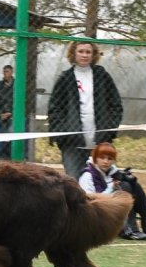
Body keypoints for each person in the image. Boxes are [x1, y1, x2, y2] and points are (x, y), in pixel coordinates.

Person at [48, 41, 123, 180]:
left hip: (100, 142)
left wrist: (109, 129)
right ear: (73, 54)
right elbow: (54, 109)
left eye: (88, 52)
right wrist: (64, 131)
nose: (84, 55)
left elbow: (116, 105)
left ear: (93, 54)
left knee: (100, 184)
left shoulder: (102, 76)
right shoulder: (65, 78)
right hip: (72, 144)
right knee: (75, 184)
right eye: (81, 51)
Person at [79, 142, 146, 240]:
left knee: (134, 186)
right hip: (95, 216)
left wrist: (127, 179)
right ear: (95, 158)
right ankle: (131, 231)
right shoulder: (87, 175)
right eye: (102, 157)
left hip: (110, 212)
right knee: (123, 187)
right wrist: (111, 188)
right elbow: (89, 201)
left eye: (109, 158)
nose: (105, 161)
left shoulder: (113, 172)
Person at [0, 64, 14, 159]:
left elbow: (20, 101)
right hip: (2, 115)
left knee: (11, 135)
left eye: (7, 71)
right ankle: (5, 156)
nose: (5, 74)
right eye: (4, 72)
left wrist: (12, 112)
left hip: (14, 115)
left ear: (12, 72)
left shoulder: (17, 85)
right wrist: (0, 114)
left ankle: (9, 155)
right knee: (5, 135)